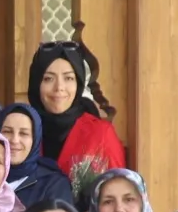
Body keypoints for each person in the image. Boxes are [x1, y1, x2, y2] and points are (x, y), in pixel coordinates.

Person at [27, 39, 125, 177]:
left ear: (78, 84)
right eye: (48, 79)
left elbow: (118, 186)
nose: (59, 87)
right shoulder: (22, 131)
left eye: (68, 78)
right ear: (36, 84)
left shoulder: (101, 134)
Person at [0, 103, 73, 209]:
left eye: (24, 133)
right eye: (7, 131)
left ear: (35, 139)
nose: (14, 140)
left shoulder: (53, 184)